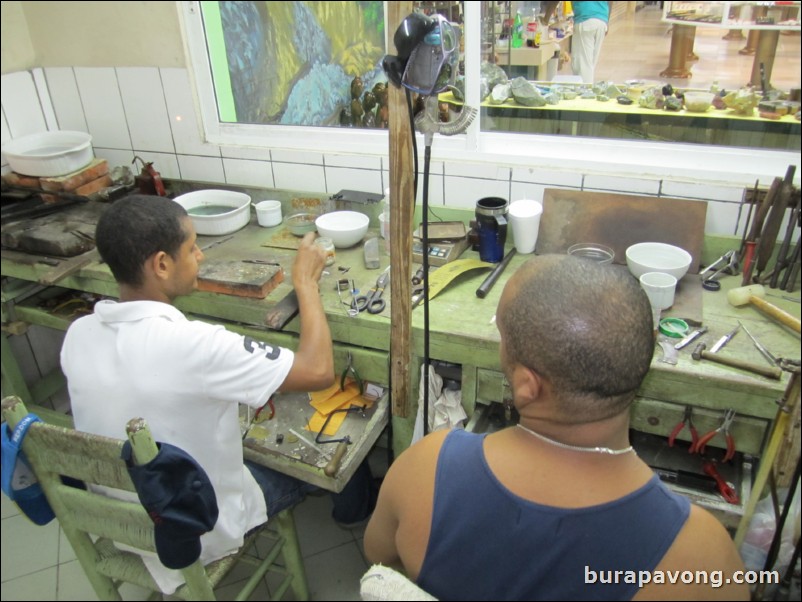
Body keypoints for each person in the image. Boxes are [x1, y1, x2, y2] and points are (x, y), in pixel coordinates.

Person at [364, 254, 749, 601]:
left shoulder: (426, 468)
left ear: (527, 386)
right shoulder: (701, 553)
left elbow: (378, 558)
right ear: (644, 354)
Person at [60, 195, 374, 594]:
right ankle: (356, 514)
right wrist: (306, 283)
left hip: (123, 517)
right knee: (342, 437)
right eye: (192, 248)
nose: (201, 257)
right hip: (197, 527)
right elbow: (318, 370)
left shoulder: (78, 335)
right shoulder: (197, 345)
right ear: (161, 264)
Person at [570, 1, 612, 83]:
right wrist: (607, 20)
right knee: (590, 64)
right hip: (601, 20)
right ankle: (587, 90)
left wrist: (545, 20)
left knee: (584, 66)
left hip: (585, 19)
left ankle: (586, 93)